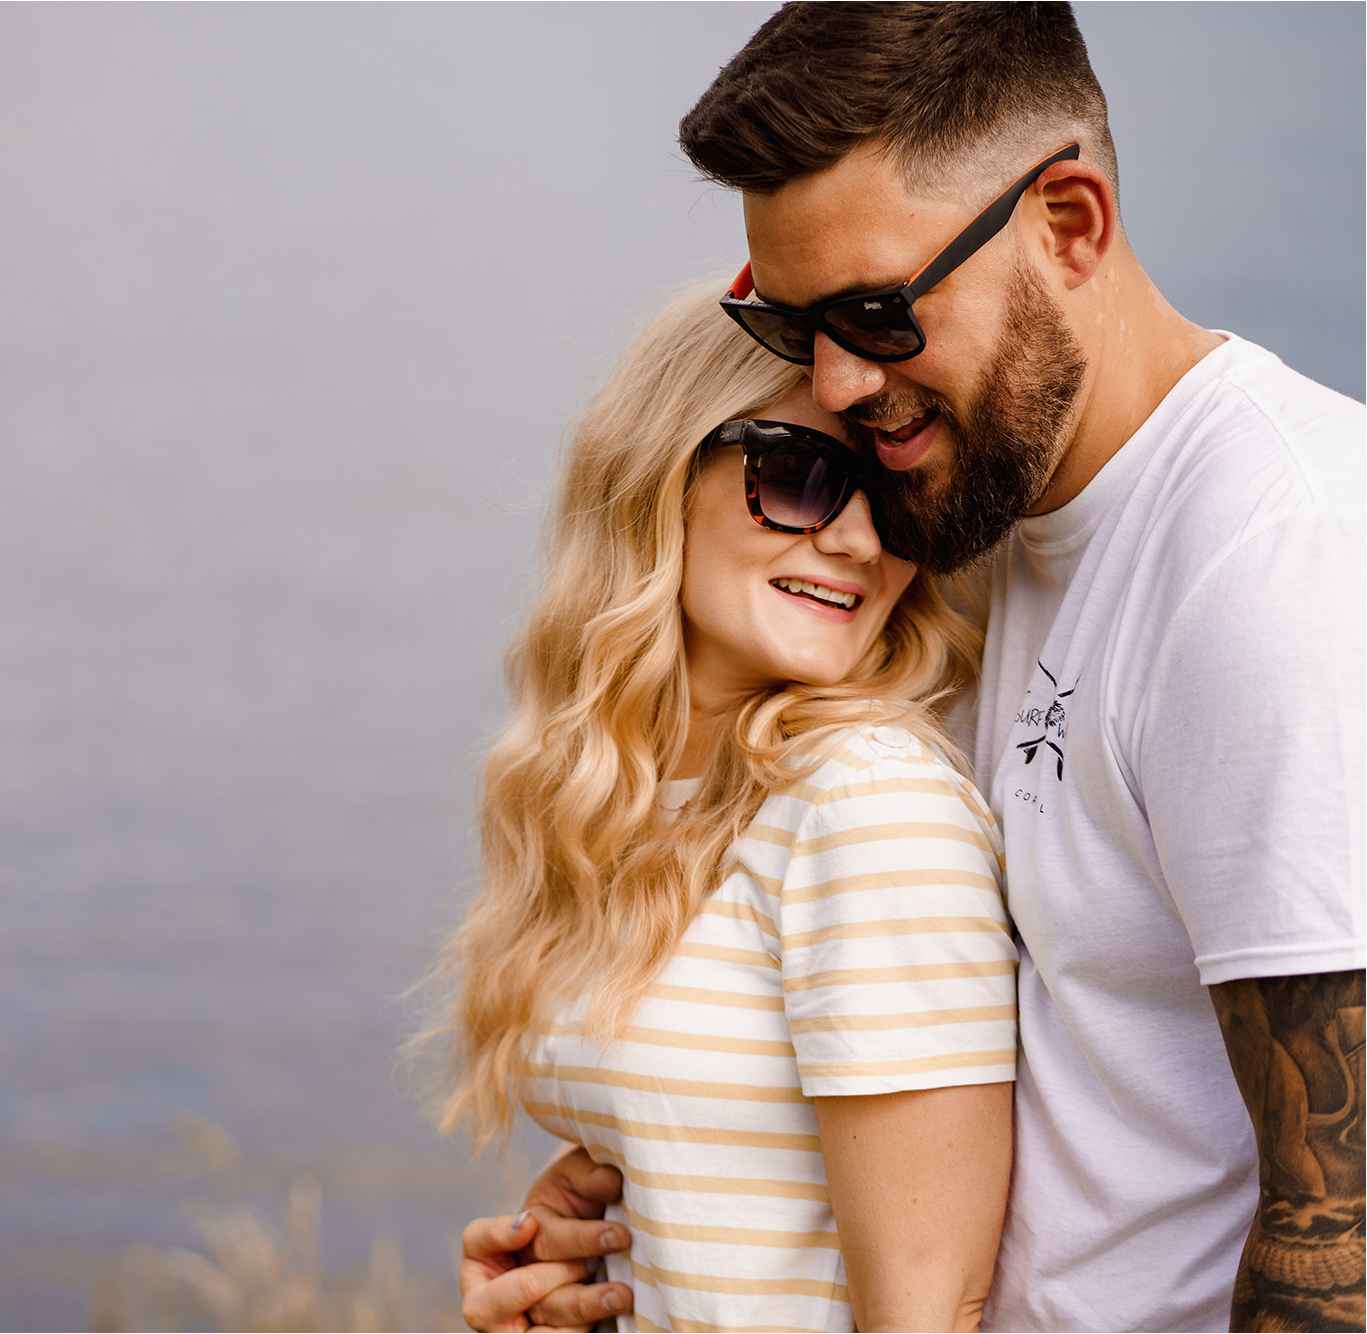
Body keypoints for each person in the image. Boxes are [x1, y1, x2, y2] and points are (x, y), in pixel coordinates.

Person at [458, 5, 1365, 1332]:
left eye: (876, 312)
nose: (832, 383)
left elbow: (1336, 1226)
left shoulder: (1274, 560)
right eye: (792, 321)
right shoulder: (972, 516)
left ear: (1069, 225)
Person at [433, 283, 1021, 1333]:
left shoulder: (866, 804)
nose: (852, 540)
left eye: (890, 499)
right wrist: (561, 1291)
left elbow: (928, 1312)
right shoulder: (638, 801)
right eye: (796, 477)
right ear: (662, 473)